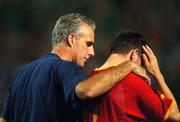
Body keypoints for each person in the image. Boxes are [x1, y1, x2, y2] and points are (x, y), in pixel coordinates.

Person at [0, 13, 149, 122]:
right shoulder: (64, 67)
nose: (92, 52)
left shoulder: (21, 74)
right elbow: (87, 91)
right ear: (71, 39)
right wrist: (128, 65)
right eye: (88, 44)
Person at [84, 31, 180, 122]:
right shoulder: (133, 83)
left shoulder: (88, 79)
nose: (142, 70)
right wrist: (158, 75)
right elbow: (175, 116)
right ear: (133, 54)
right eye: (141, 64)